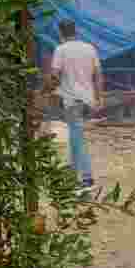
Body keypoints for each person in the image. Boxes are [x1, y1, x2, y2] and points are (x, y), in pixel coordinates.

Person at [44, 18, 105, 196]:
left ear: (60, 33)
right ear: (76, 31)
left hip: (72, 100)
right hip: (88, 99)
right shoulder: (90, 48)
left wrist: (45, 90)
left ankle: (87, 179)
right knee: (74, 136)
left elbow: (54, 76)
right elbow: (99, 75)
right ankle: (73, 176)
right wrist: (100, 98)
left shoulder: (60, 50)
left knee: (77, 137)